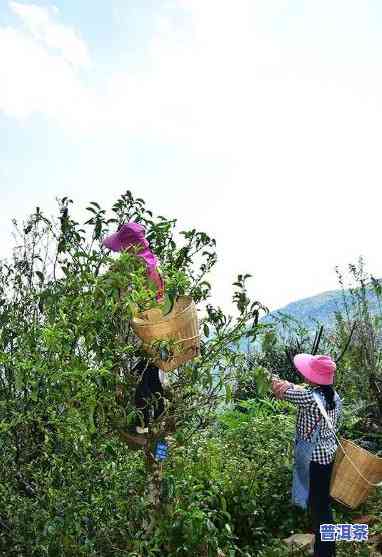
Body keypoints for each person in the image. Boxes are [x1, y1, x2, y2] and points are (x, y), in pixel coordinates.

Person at [271, 354, 342, 557]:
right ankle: (326, 549)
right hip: (327, 457)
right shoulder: (332, 396)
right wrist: (290, 384)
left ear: (313, 377)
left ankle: (325, 552)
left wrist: (271, 379)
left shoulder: (309, 398)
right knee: (322, 504)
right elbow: (298, 389)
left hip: (313, 460)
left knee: (319, 508)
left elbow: (283, 391)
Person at [102, 222, 166, 437]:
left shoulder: (134, 268)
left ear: (130, 245)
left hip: (139, 332)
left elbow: (126, 301)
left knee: (140, 377)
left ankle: (141, 425)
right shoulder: (152, 263)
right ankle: (160, 414)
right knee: (151, 373)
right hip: (156, 329)